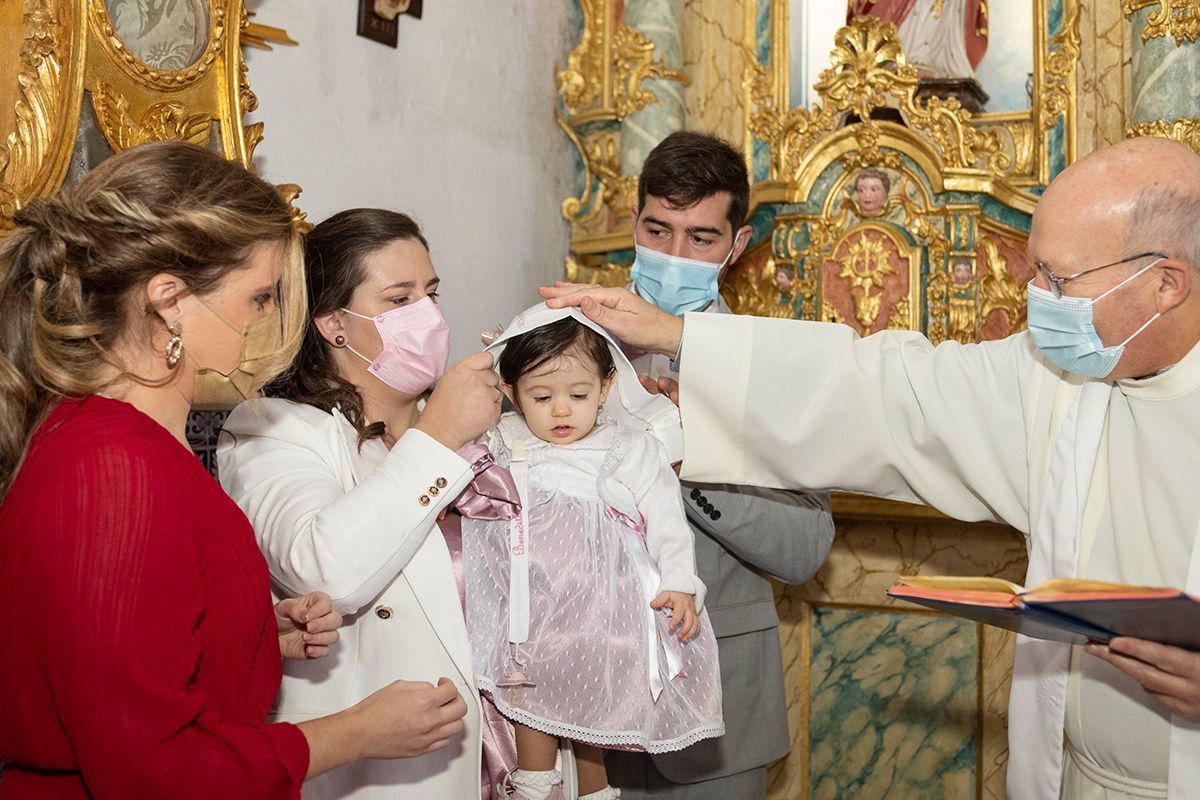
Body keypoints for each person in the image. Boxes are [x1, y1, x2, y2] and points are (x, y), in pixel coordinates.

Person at [543, 135, 1200, 800]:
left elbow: (799, 543)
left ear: (1165, 284)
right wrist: (682, 337)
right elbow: (878, 387)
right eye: (1036, 272)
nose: (1036, 298)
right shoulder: (1050, 380)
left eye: (1058, 280)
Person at [0, 142, 461, 799]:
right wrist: (355, 733)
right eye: (262, 296)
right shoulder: (112, 469)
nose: (276, 319)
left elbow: (123, 662)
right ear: (170, 303)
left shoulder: (135, 449)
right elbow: (150, 768)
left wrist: (249, 633)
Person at [216, 208, 502, 799]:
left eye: (432, 292)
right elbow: (323, 573)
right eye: (399, 299)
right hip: (387, 775)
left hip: (506, 754)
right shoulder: (274, 430)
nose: (427, 314)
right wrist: (439, 437)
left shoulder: (478, 429)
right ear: (332, 323)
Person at [604, 130, 835, 800]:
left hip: (715, 712)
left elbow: (804, 549)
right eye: (658, 229)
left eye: (701, 237)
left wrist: (687, 464)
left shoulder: (773, 368)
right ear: (634, 224)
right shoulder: (567, 336)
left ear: (737, 246)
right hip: (582, 701)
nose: (675, 254)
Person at [460, 304, 723, 800]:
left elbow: (667, 519)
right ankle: (534, 785)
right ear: (512, 393)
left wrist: (680, 583)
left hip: (603, 613)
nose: (561, 410)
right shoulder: (501, 442)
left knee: (593, 712)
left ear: (605, 389)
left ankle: (594, 791)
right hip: (531, 610)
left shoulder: (626, 447)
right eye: (541, 396)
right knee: (529, 692)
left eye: (578, 395)